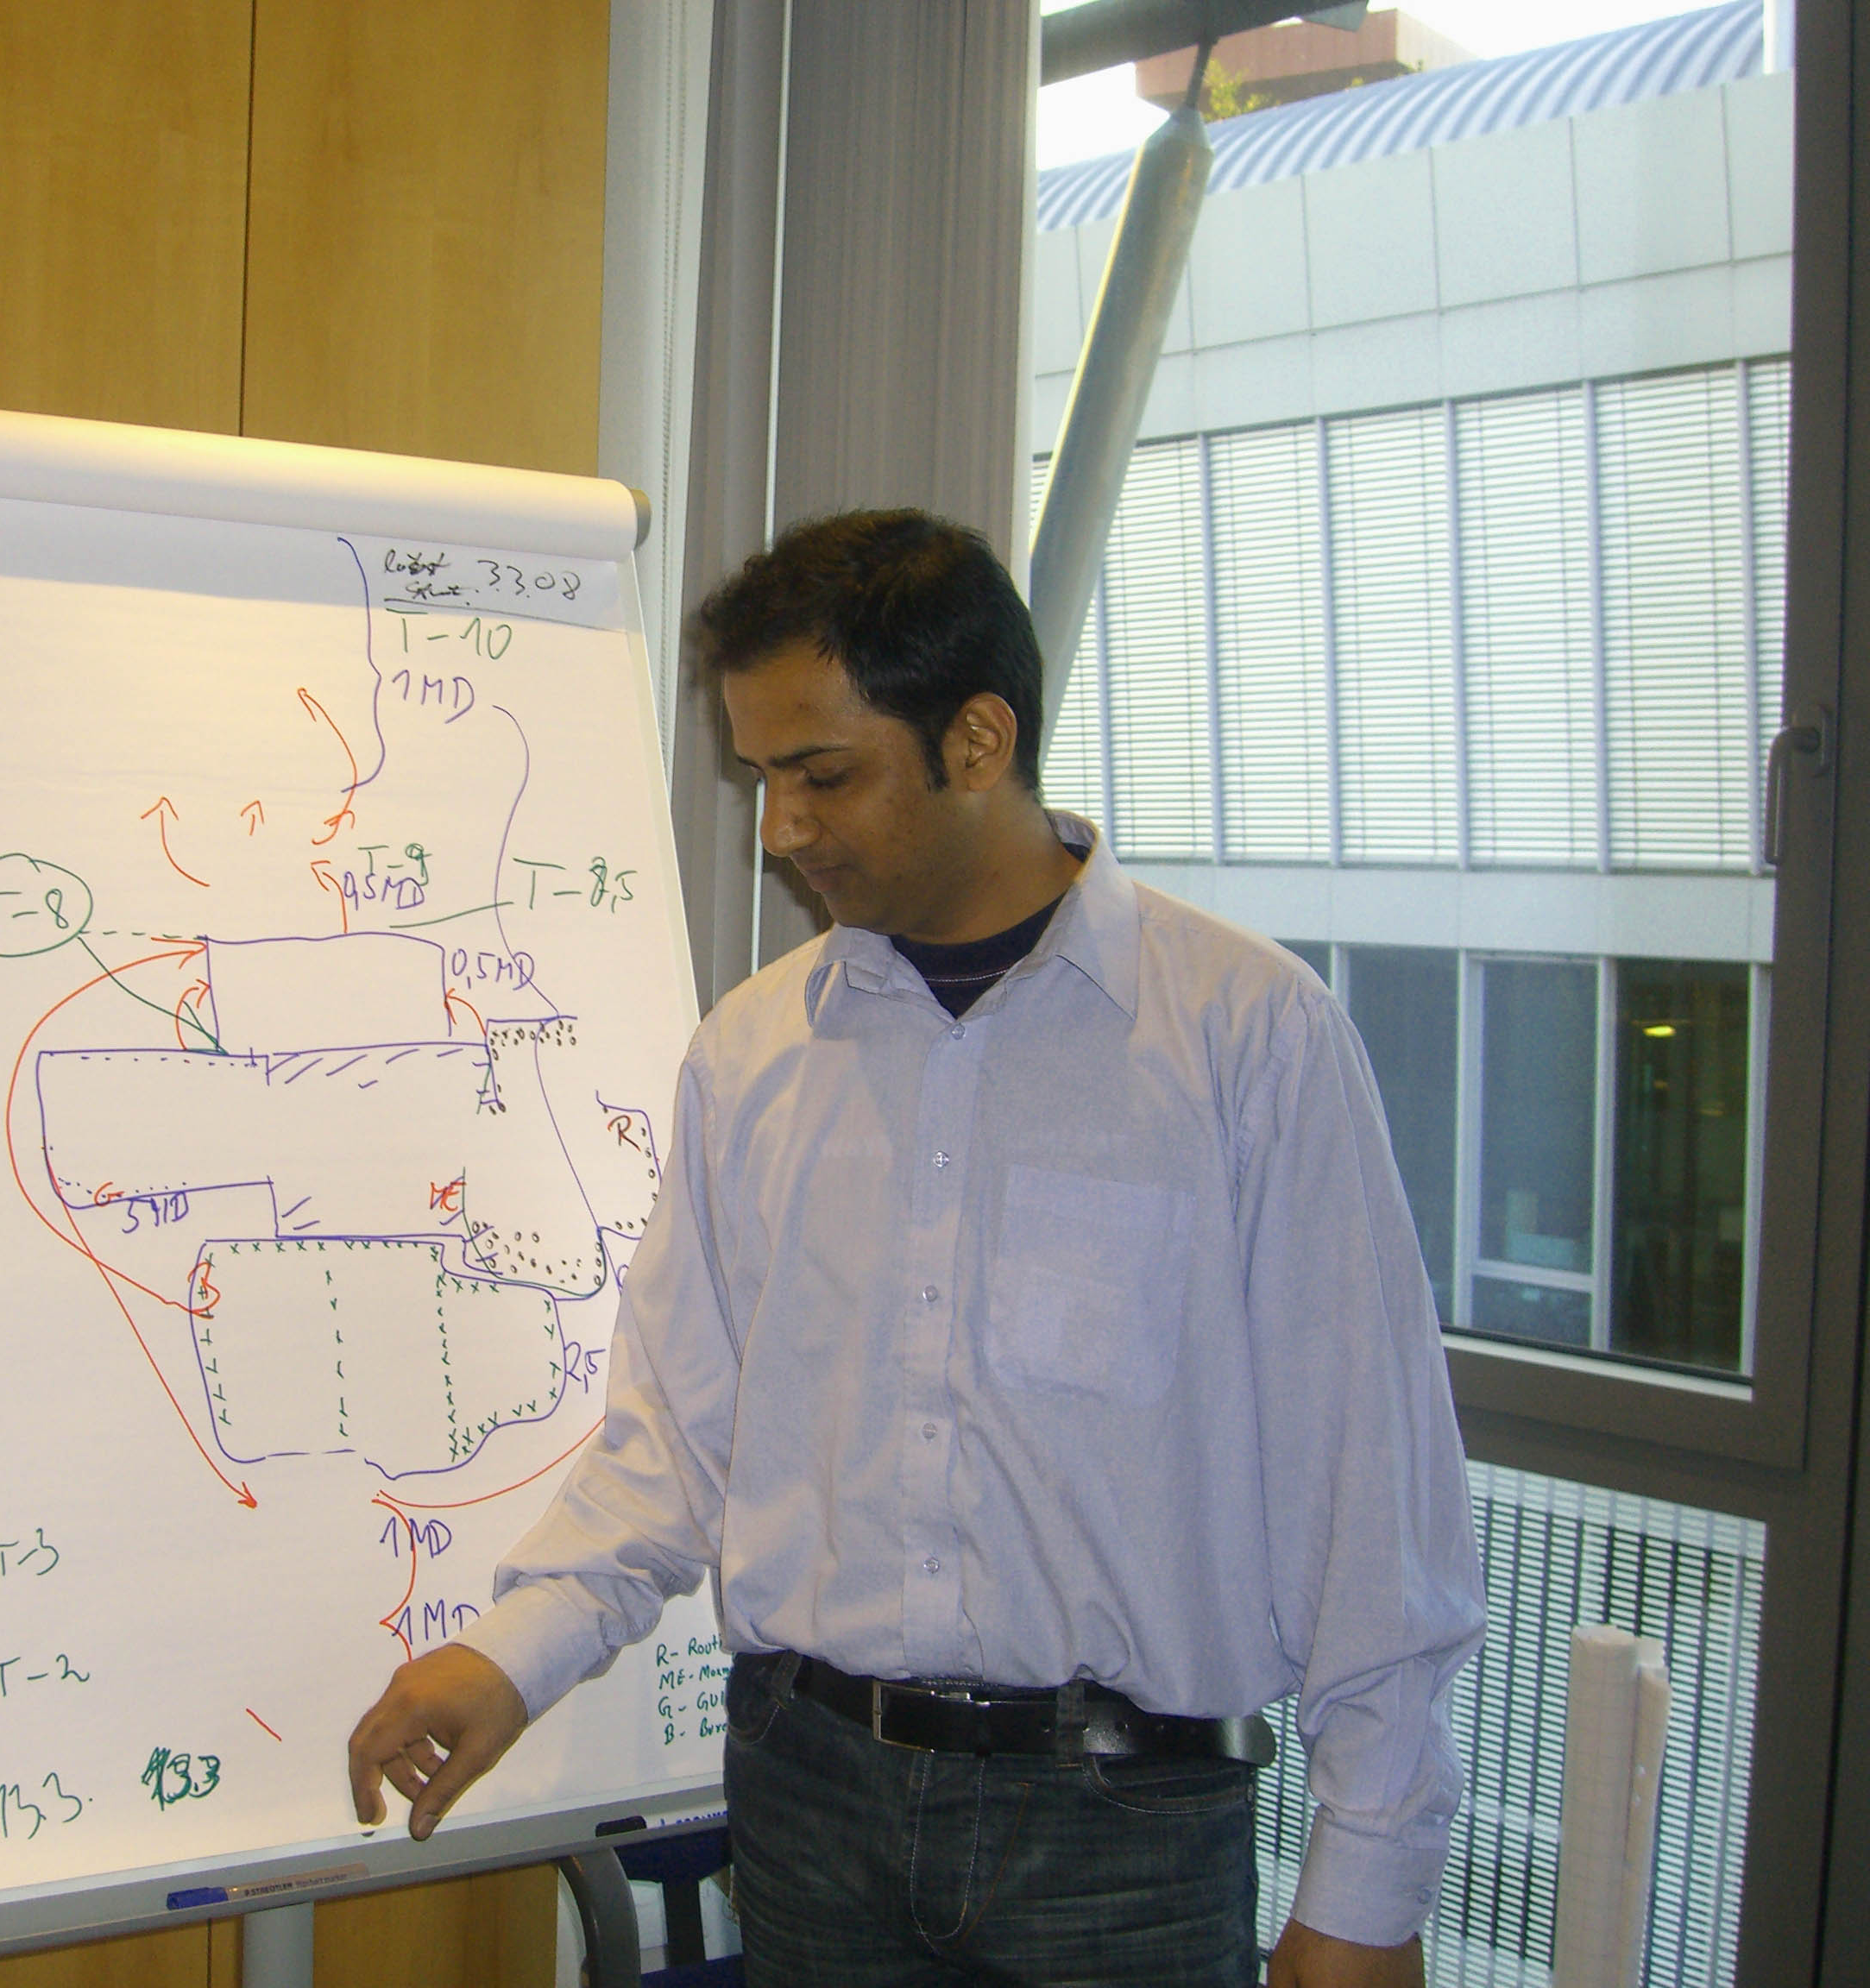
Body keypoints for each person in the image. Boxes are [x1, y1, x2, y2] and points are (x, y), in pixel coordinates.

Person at [345, 509, 1483, 1988]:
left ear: (977, 740)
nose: (781, 830)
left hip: (1122, 1831)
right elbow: (677, 1436)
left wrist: (1371, 1885)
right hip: (810, 1797)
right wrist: (512, 1654)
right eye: (763, 777)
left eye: (824, 775)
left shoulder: (1245, 1036)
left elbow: (1367, 1485)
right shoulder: (753, 1056)